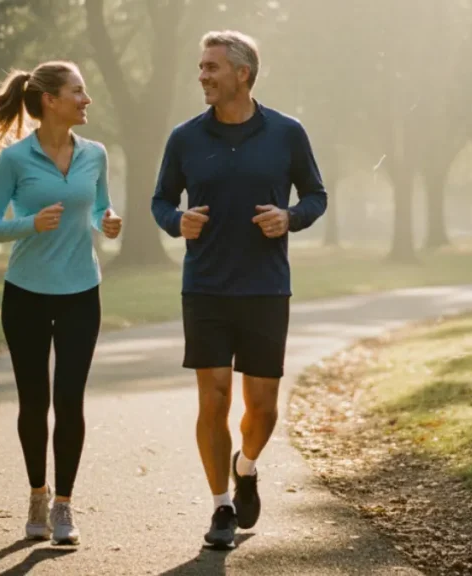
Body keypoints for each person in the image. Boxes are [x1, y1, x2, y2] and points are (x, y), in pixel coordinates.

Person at [150, 30, 327, 549]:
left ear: (242, 74)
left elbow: (316, 194)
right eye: (201, 67)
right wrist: (175, 222)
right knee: (215, 398)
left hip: (266, 288)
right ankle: (221, 507)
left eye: (212, 68)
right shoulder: (185, 138)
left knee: (264, 408)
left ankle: (245, 466)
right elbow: (161, 200)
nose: (202, 76)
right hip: (204, 287)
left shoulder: (287, 133)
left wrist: (289, 217)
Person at [0, 60, 122, 545]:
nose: (86, 99)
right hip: (26, 294)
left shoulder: (95, 154)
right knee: (35, 402)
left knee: (69, 401)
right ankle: (37, 493)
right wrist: (29, 224)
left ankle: (65, 507)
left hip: (81, 292)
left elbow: (97, 205)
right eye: (78, 91)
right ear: (50, 100)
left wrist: (107, 220)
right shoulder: (15, 159)